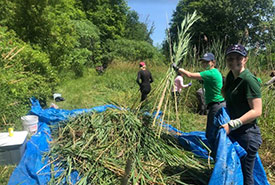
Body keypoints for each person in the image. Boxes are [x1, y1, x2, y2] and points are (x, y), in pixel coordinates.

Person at [221, 44, 262, 185]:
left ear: (245, 59)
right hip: (235, 131)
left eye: (238, 58)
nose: (234, 61)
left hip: (248, 134)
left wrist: (233, 124)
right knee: (235, 168)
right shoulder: (231, 77)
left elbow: (257, 110)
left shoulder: (249, 80)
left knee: (246, 174)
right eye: (230, 58)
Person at [172, 53, 225, 142]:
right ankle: (214, 147)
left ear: (213, 62)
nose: (204, 64)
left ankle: (214, 152)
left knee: (211, 132)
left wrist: (178, 69)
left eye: (207, 62)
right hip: (217, 103)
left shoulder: (210, 73)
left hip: (216, 104)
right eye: (203, 62)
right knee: (214, 130)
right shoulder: (215, 71)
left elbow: (189, 75)